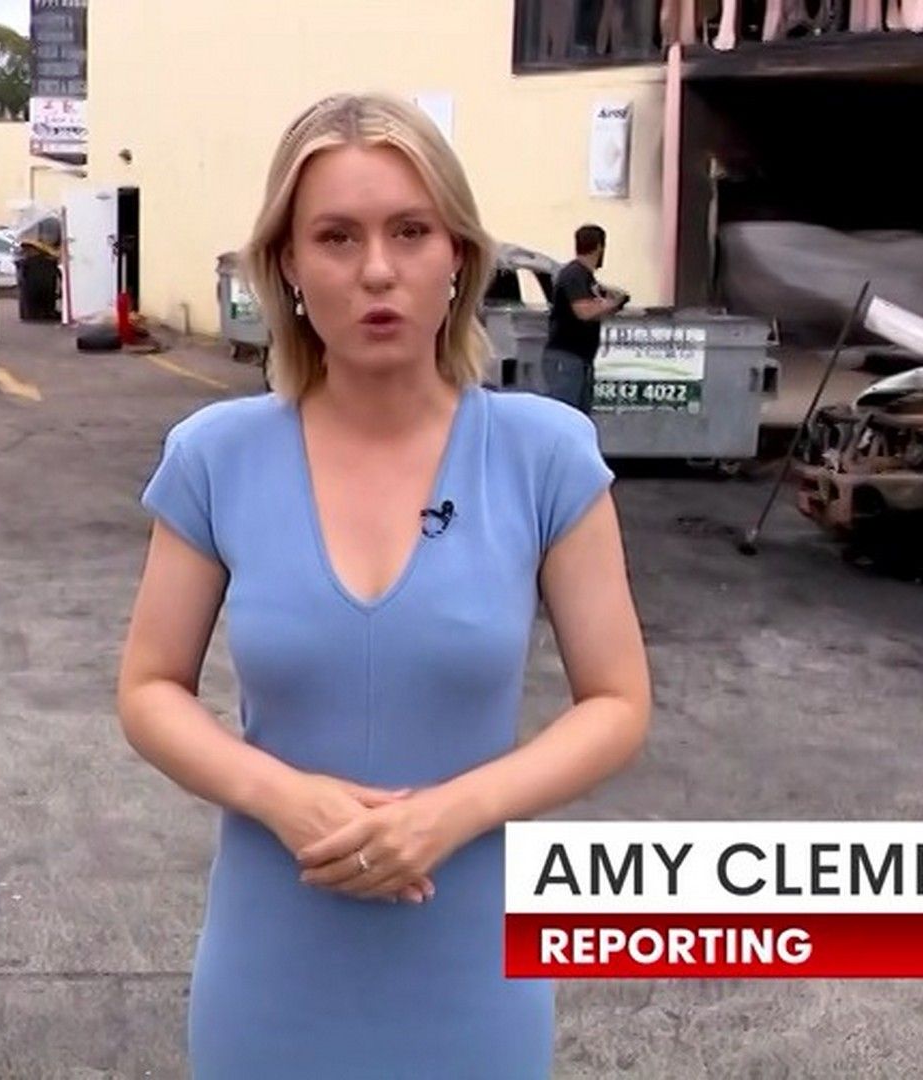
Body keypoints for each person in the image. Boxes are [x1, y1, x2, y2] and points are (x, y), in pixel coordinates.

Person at [116, 91, 652, 1078]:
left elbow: (617, 704)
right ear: (286, 263)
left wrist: (451, 813)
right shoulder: (213, 457)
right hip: (271, 980)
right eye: (336, 236)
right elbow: (150, 689)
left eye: (410, 231)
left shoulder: (547, 456)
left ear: (458, 256)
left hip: (472, 981)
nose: (376, 269)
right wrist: (281, 797)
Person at [543, 223, 629, 415]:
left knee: (580, 417)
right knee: (566, 415)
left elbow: (593, 307)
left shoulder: (587, 279)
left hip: (580, 359)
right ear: (599, 247)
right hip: (566, 358)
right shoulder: (574, 274)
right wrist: (615, 303)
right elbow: (583, 311)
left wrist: (609, 299)